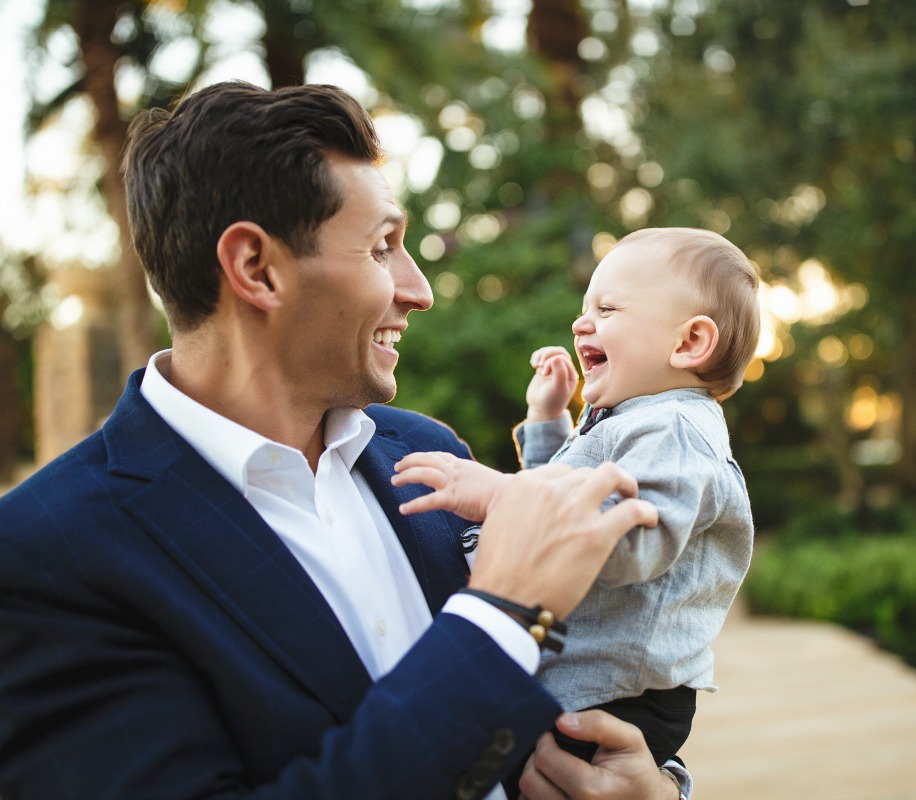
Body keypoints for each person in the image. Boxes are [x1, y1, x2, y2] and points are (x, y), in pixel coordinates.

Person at [0, 81, 688, 800]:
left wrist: (652, 792)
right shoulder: (43, 557)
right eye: (382, 247)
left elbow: (511, 737)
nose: (418, 289)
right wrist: (502, 611)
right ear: (257, 269)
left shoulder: (425, 454)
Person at [394, 227, 758, 768]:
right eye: (586, 306)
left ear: (688, 343)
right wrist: (547, 423)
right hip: (588, 682)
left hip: (619, 695)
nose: (580, 322)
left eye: (608, 308)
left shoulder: (674, 429)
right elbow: (563, 499)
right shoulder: (629, 419)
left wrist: (500, 493)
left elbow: (626, 539)